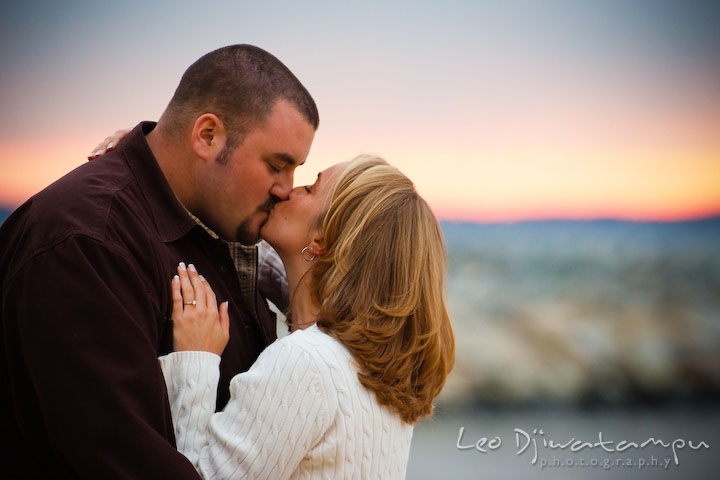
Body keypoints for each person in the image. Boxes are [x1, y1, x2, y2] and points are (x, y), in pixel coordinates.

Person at [0, 44, 317, 478]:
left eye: (296, 169)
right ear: (207, 136)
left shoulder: (224, 226)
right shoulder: (90, 242)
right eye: (277, 165)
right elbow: (122, 461)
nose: (286, 188)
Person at [159, 156, 455, 479]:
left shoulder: (303, 364)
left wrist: (196, 360)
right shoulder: (381, 374)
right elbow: (302, 284)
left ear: (320, 241)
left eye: (311, 188)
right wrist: (161, 163)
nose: (289, 190)